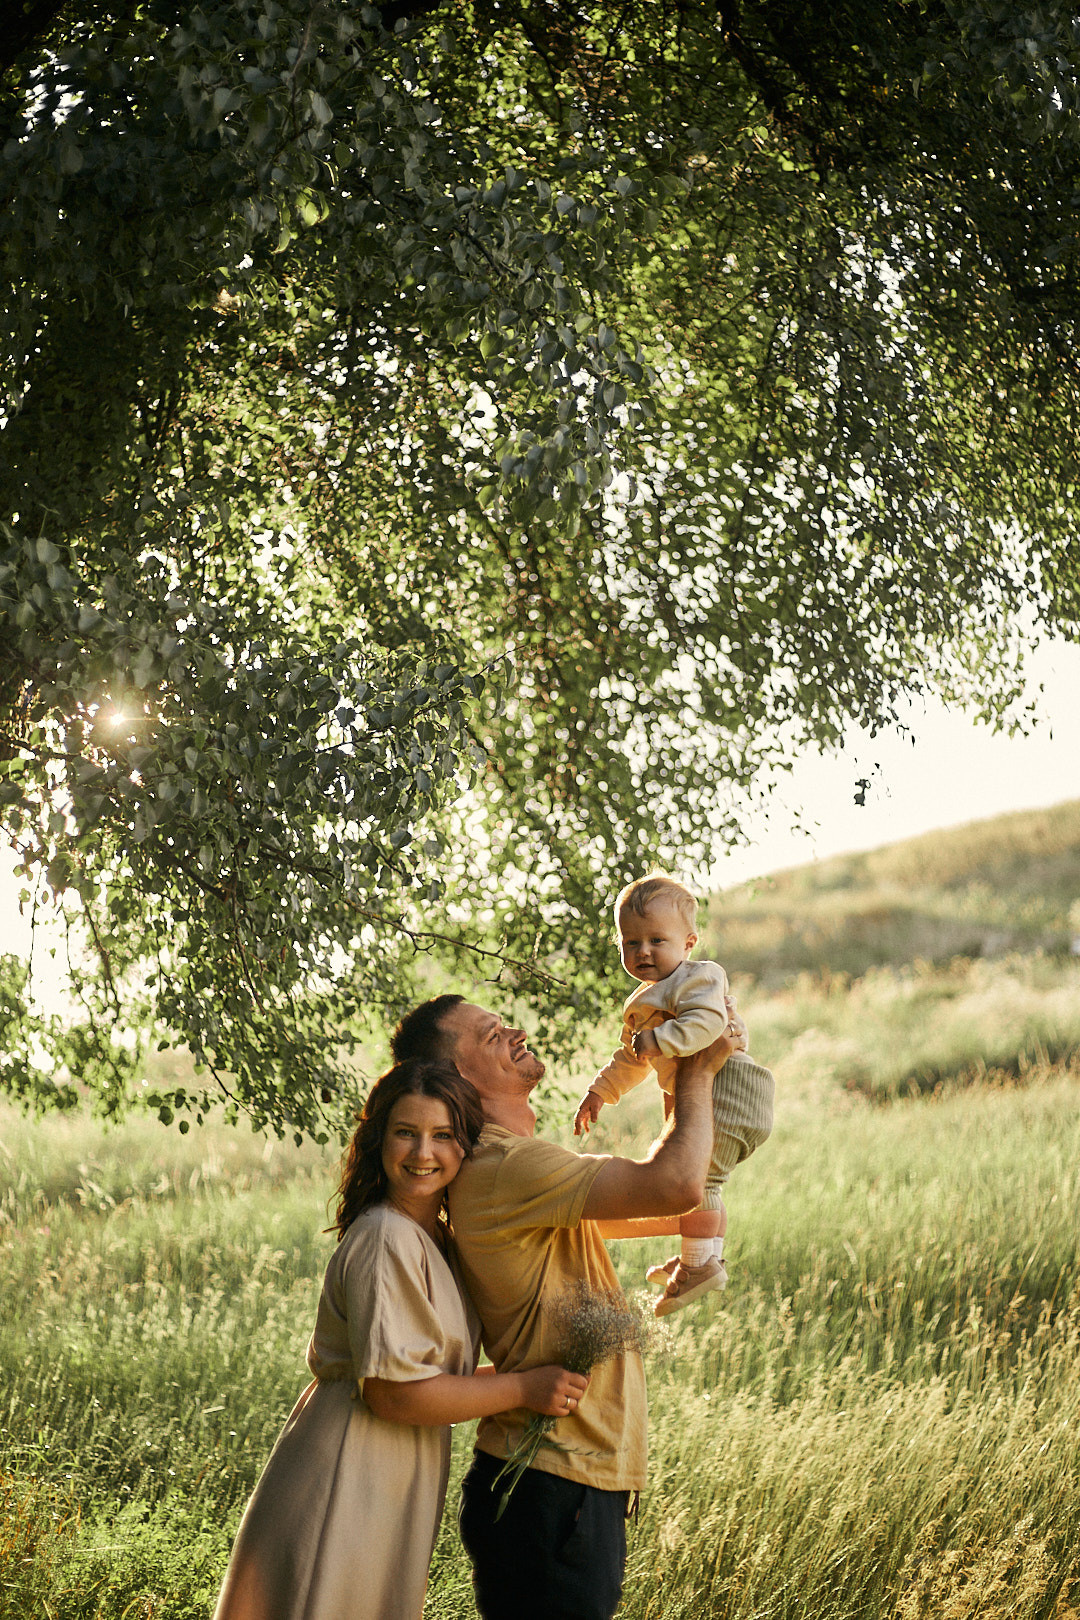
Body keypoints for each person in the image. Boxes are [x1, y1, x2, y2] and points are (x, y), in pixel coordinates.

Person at [390, 994, 741, 1620]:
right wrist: (696, 1069)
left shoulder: (511, 1166)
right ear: (460, 1076)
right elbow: (676, 1183)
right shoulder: (502, 1166)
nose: (514, 1030)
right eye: (492, 1034)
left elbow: (666, 1202)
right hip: (551, 1483)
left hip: (561, 1482)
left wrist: (698, 1241)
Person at [212, 1059, 588, 1620]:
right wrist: (523, 1388)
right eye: (405, 1132)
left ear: (466, 1145)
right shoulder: (386, 1236)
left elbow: (428, 1378)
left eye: (442, 1135)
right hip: (350, 1462)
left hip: (391, 1465)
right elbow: (394, 1394)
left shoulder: (436, 1237)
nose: (422, 1153)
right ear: (378, 1140)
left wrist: (537, 1375)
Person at [573, 873, 775, 1315]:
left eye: (656, 940)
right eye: (631, 943)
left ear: (688, 943)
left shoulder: (699, 976)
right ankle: (701, 1257)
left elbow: (710, 1025)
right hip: (719, 1094)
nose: (643, 951)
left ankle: (699, 1264)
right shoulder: (647, 998)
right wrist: (600, 1092)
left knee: (697, 1180)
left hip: (730, 1090)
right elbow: (630, 1058)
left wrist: (660, 1039)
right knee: (706, 1180)